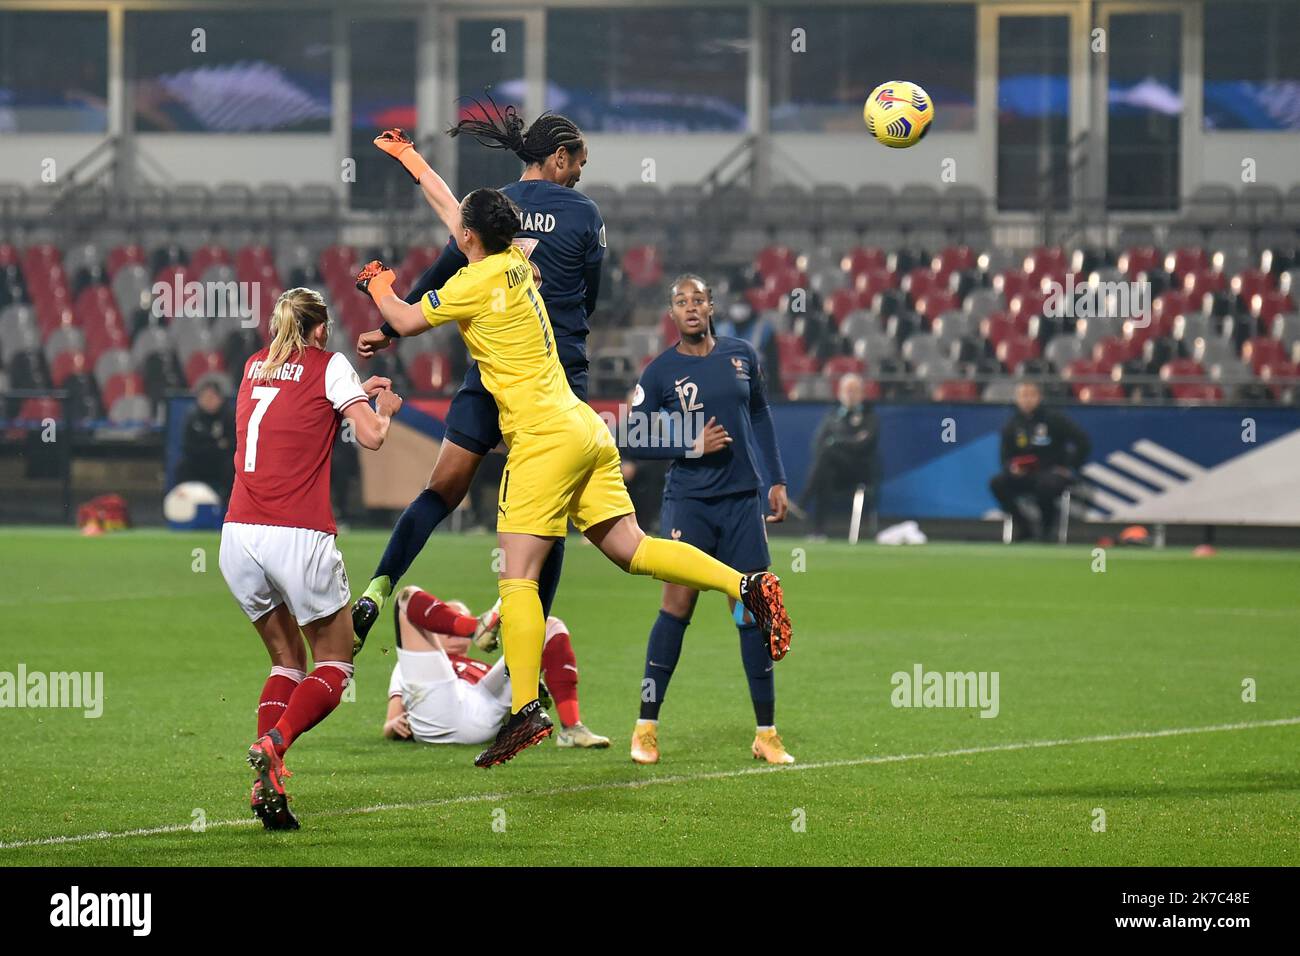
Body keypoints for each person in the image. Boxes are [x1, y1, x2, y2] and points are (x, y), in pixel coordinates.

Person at [354, 131, 793, 769]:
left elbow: (400, 318)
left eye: (461, 234)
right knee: (634, 549)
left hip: (541, 441)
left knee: (517, 576)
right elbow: (453, 207)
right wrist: (414, 161)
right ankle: (747, 584)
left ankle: (524, 710)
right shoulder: (515, 265)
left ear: (468, 243)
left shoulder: (474, 283)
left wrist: (375, 282)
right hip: (584, 426)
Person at [351, 100, 604, 648]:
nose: (582, 173)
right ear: (560, 158)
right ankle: (520, 657)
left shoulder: (493, 210)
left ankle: (380, 583)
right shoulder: (584, 213)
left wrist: (389, 324)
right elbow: (592, 298)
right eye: (580, 162)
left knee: (440, 490)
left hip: (491, 370)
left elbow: (444, 263)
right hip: (555, 381)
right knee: (550, 519)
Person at [219, 287, 402, 830]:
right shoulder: (330, 364)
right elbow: (369, 437)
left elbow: (296, 415)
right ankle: (275, 743)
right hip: (296, 535)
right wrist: (382, 409)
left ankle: (263, 781)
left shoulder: (254, 366)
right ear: (321, 329)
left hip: (238, 537)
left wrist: (350, 394)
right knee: (335, 664)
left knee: (284, 662)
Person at [625, 275, 794, 766]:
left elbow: (760, 414)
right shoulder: (659, 372)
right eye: (681, 302)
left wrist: (776, 479)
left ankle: (766, 733)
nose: (691, 308)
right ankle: (646, 727)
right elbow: (632, 435)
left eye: (698, 300)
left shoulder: (742, 356)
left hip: (743, 500)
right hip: (689, 504)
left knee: (751, 612)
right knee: (676, 609)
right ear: (672, 315)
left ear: (712, 307)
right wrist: (689, 444)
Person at [382, 587, 609, 748]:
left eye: (461, 617)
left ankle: (571, 729)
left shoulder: (482, 667)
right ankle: (476, 626)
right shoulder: (415, 665)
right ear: (430, 630)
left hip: (483, 712)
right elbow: (391, 721)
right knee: (406, 598)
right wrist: (394, 726)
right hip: (439, 712)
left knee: (549, 625)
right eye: (447, 621)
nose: (450, 631)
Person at [989, 381, 1091, 542]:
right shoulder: (1013, 424)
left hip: (1052, 473)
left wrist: (1069, 467)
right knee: (997, 483)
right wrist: (1012, 468)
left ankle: (1046, 529)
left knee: (1046, 485)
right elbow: (1005, 457)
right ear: (1017, 399)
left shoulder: (1054, 419)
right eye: (1023, 395)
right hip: (1025, 474)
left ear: (1039, 397)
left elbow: (1082, 442)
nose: (1027, 399)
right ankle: (1024, 526)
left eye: (1031, 395)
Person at [798, 374, 880, 538]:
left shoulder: (870, 417)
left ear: (862, 394)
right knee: (825, 471)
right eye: (847, 391)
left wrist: (836, 442)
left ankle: (803, 501)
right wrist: (843, 443)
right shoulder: (832, 417)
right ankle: (818, 532)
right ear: (840, 393)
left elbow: (863, 444)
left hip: (859, 471)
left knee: (828, 453)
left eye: (854, 391)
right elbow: (818, 444)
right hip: (835, 472)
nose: (850, 395)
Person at [176, 378, 236, 501]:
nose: (208, 401)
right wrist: (216, 444)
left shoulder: (229, 416)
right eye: (205, 397)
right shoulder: (193, 417)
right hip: (199, 461)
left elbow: (232, 444)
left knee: (232, 468)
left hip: (221, 462)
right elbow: (188, 446)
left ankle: (227, 506)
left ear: (220, 399)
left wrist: (211, 445)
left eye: (212, 397)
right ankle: (183, 505)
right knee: (182, 467)